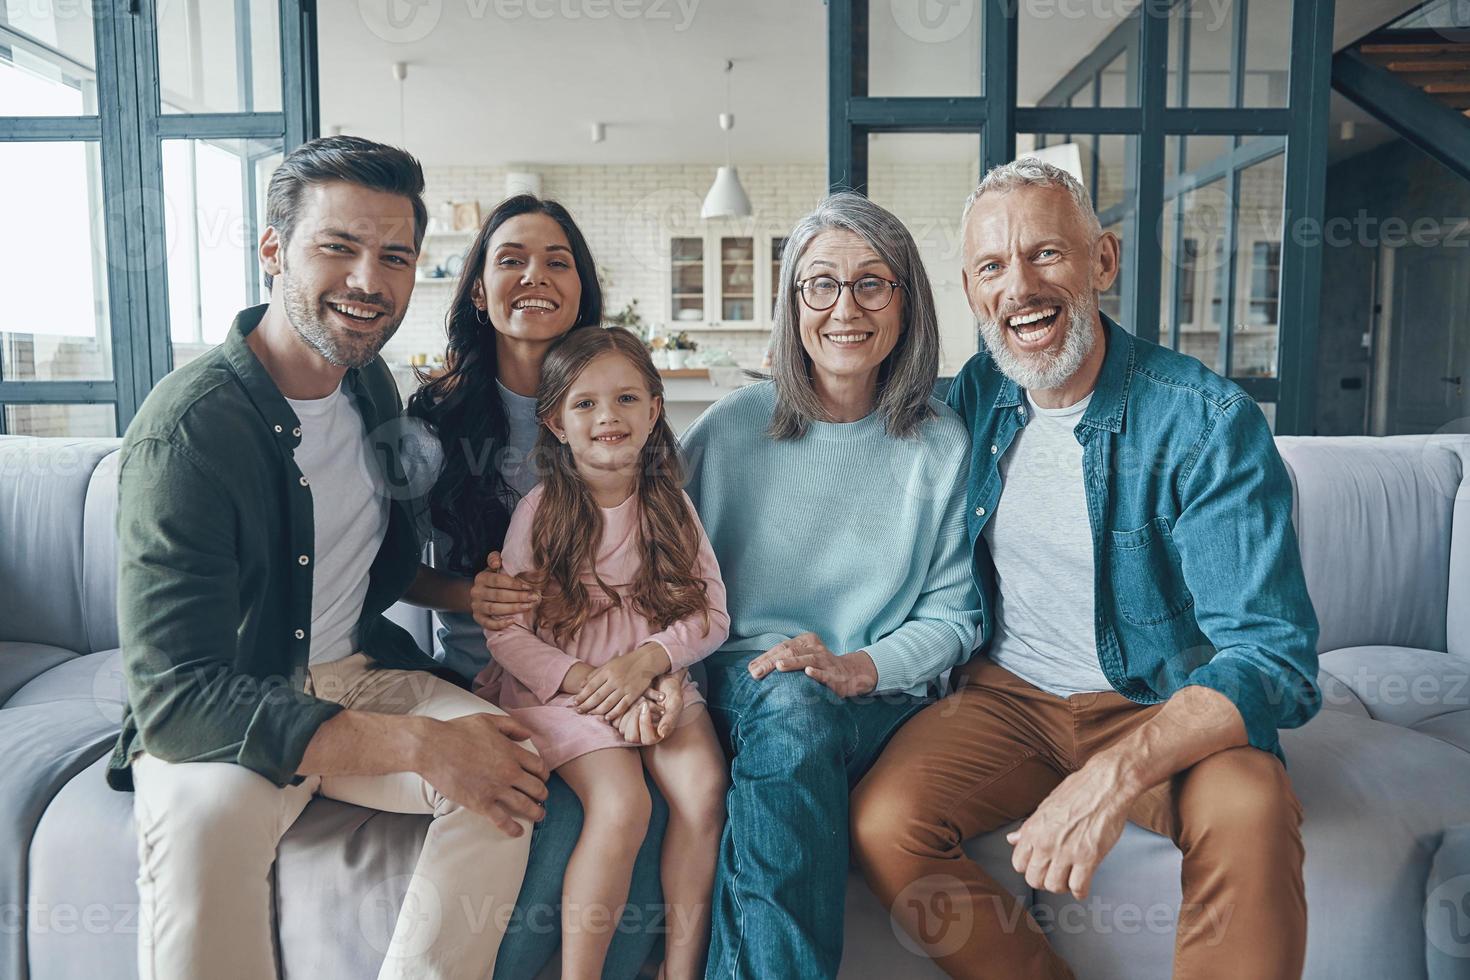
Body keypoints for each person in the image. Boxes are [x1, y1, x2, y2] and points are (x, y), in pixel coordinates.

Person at [849, 158, 1320, 980]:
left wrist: (1114, 775)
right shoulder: (973, 401)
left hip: (1161, 698)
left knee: (1250, 802)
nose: (1019, 288)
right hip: (1009, 699)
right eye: (993, 267)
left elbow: (1274, 659)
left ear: (1101, 260)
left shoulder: (1206, 421)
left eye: (1047, 255)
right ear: (970, 290)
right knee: (885, 821)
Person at [108, 135, 547, 980]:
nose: (367, 282)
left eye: (393, 256)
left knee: (509, 773)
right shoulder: (187, 434)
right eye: (337, 247)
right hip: (233, 706)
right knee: (205, 827)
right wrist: (416, 745)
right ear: (272, 251)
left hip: (357, 671)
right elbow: (172, 697)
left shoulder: (370, 383)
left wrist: (465, 594)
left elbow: (366, 561)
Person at [679, 192, 984, 978]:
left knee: (808, 711)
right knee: (793, 705)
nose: (844, 308)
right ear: (792, 302)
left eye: (871, 283)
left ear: (904, 301)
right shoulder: (727, 431)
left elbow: (956, 614)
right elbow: (658, 581)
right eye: (821, 284)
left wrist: (860, 667)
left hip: (881, 700)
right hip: (755, 685)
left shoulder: (941, 445)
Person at [402, 195, 670, 977]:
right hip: (488, 679)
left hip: (605, 681)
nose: (535, 276)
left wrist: (655, 668)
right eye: (511, 258)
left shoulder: (619, 406)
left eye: (558, 261)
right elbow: (390, 576)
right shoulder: (432, 424)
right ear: (478, 291)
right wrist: (465, 596)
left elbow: (667, 568)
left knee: (645, 822)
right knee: (546, 832)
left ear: (581, 288)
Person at [476, 326, 729, 980]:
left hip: (650, 679)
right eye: (585, 404)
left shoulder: (670, 506)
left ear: (653, 410)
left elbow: (712, 614)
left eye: (625, 399)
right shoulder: (540, 510)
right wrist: (589, 681)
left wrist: (649, 663)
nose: (607, 416)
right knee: (624, 803)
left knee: (704, 790)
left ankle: (681, 971)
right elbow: (506, 634)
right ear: (556, 422)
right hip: (564, 693)